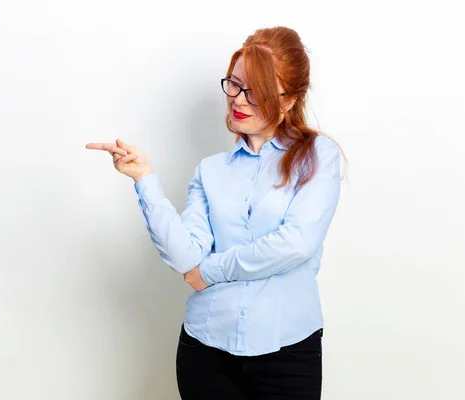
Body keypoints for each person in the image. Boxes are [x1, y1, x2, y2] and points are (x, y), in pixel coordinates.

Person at [87, 26, 342, 400]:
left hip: (288, 352)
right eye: (234, 84)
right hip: (206, 350)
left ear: (288, 100)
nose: (238, 99)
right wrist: (145, 180)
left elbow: (298, 243)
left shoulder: (317, 157)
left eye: (254, 91)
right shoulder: (211, 170)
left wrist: (212, 270)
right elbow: (186, 256)